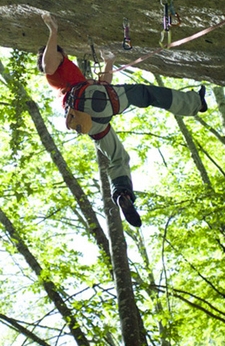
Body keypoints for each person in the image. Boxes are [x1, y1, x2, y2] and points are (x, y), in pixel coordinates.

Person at [38, 13, 207, 228]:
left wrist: (109, 62)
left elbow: (105, 91)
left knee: (118, 157)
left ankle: (121, 193)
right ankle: (195, 102)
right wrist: (53, 32)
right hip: (89, 103)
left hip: (92, 121)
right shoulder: (56, 71)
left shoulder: (70, 83)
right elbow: (48, 65)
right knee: (146, 94)